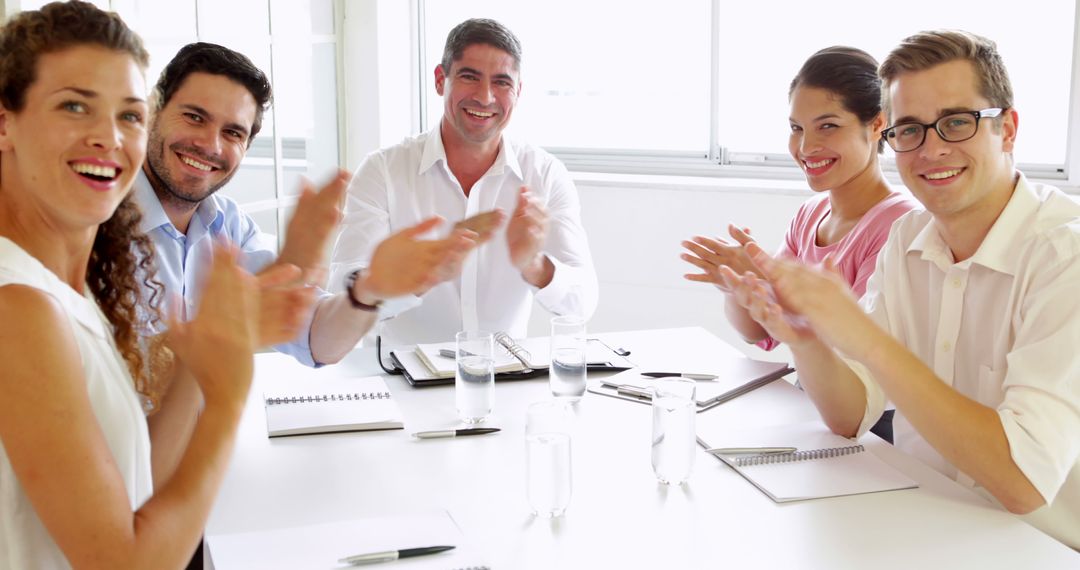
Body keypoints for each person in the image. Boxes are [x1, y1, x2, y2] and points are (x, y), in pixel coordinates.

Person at [720, 30, 1079, 548]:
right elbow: (850, 416)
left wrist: (866, 339)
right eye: (910, 130)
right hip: (924, 523)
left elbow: (1025, 482)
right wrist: (804, 338)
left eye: (956, 122)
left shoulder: (1064, 256)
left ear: (1007, 129)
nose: (931, 150)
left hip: (1040, 546)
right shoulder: (908, 239)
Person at [0, 2, 309, 567]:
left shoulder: (68, 289)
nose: (109, 138)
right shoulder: (18, 306)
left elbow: (141, 487)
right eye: (74, 105)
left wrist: (200, 361)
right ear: (5, 122)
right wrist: (226, 397)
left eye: (129, 115)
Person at [135, 42, 482, 367]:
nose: (209, 145)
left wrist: (369, 290)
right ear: (152, 111)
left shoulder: (228, 225)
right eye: (194, 117)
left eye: (233, 133)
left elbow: (319, 339)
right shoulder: (95, 226)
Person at [681, 47, 917, 443]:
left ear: (877, 124)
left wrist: (771, 286)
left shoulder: (899, 224)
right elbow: (760, 332)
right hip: (811, 400)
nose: (806, 147)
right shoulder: (811, 214)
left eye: (827, 126)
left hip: (870, 421)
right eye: (796, 128)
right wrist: (738, 287)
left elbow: (850, 350)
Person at [330, 18, 598, 354]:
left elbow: (582, 304)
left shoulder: (544, 174)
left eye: (501, 82)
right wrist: (417, 276)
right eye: (470, 77)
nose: (485, 97)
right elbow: (340, 293)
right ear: (441, 81)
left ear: (518, 92)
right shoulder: (382, 171)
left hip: (505, 378)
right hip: (401, 381)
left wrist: (535, 266)